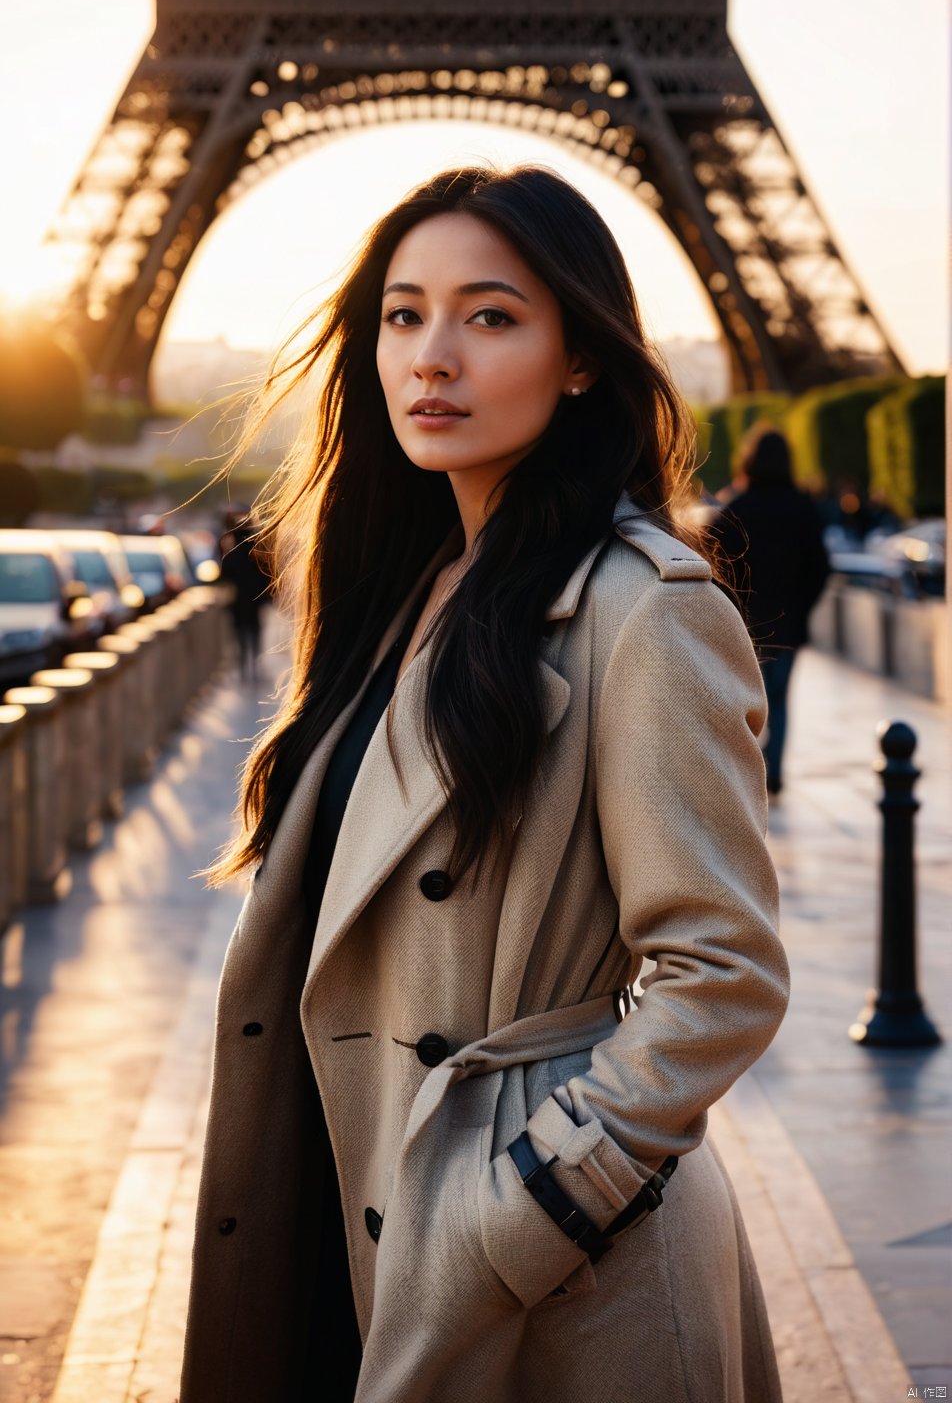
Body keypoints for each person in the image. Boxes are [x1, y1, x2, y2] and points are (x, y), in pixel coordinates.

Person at [179, 164, 791, 1403]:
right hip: (356, 1202)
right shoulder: (403, 594)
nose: (432, 356)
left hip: (540, 1277)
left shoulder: (643, 609)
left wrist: (529, 1204)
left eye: (490, 315)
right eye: (403, 315)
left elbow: (723, 970)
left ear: (581, 358)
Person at [709, 426, 831, 796]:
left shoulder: (738, 509)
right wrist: (800, 608)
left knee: (745, 704)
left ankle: (748, 774)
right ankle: (774, 773)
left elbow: (713, 564)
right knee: (779, 702)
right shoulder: (804, 509)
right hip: (788, 626)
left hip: (745, 625)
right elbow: (821, 569)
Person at [217, 508, 272, 681]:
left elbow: (224, 577)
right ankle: (254, 665)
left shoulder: (231, 555)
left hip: (238, 602)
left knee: (240, 634)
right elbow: (267, 577)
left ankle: (243, 667)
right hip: (255, 601)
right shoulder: (258, 555)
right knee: (255, 632)